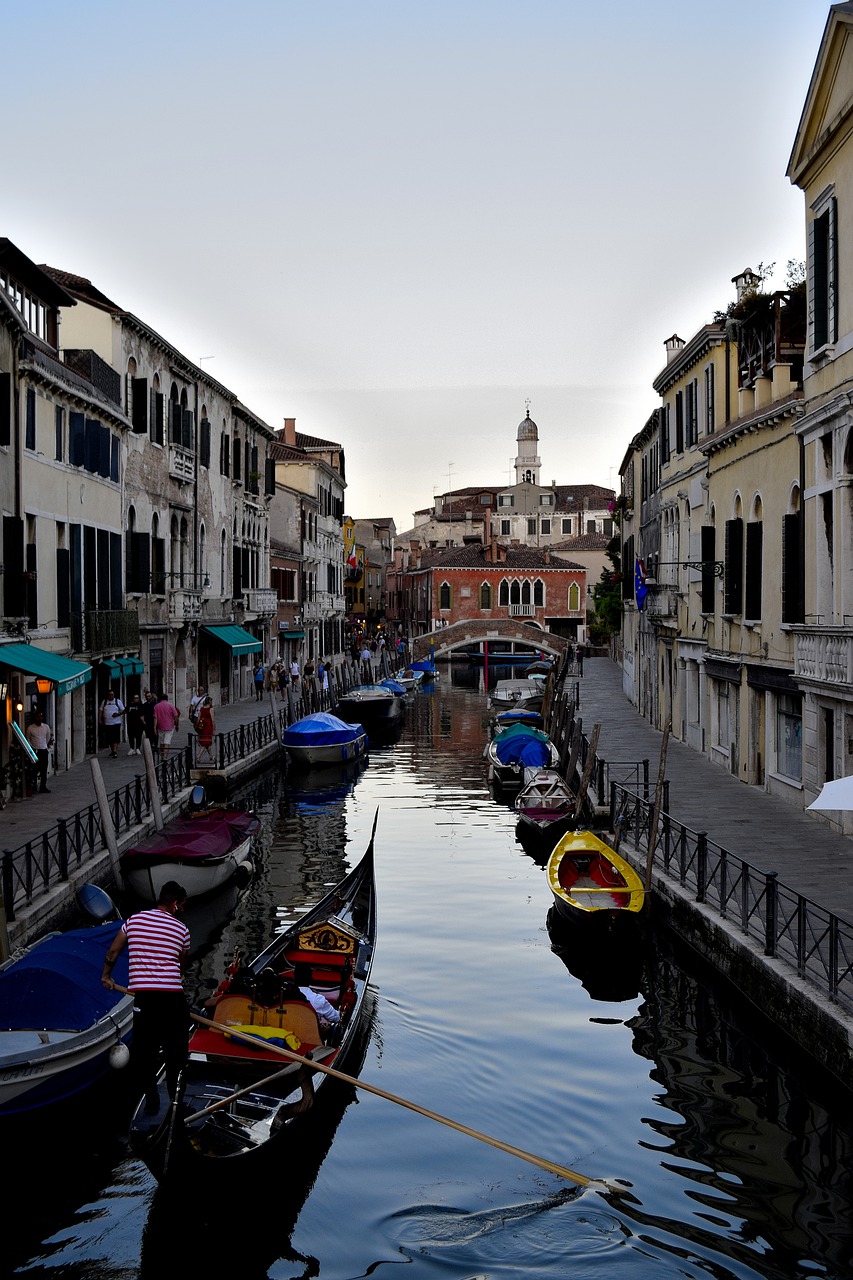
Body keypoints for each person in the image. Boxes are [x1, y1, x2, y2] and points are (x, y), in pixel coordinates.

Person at [101, 880, 190, 1105]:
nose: (183, 910)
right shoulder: (182, 930)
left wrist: (106, 976)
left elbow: (113, 951)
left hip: (146, 999)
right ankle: (174, 1100)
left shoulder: (133, 920)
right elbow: (180, 967)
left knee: (145, 1052)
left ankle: (151, 1100)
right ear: (175, 904)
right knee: (175, 1053)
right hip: (172, 1000)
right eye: (183, 905)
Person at [292, 963, 340, 1030]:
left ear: (294, 977)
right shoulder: (319, 1000)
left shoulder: (284, 995)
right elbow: (337, 1018)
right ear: (311, 979)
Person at [26, 710, 54, 793]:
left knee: (44, 770)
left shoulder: (46, 727)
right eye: (38, 716)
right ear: (35, 717)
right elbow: (28, 739)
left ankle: (43, 786)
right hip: (35, 751)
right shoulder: (30, 728)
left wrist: (44, 745)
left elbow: (48, 737)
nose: (39, 718)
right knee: (34, 770)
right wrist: (33, 748)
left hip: (43, 750)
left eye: (41, 716)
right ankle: (34, 786)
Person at [153, 693, 181, 761]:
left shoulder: (157, 706)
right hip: (169, 726)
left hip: (160, 726)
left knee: (162, 742)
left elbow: (155, 718)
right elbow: (176, 716)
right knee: (167, 742)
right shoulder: (171, 705)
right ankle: (165, 757)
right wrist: (177, 725)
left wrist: (154, 727)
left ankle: (162, 755)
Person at [99, 689, 125, 759]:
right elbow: (100, 710)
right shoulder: (104, 702)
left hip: (116, 723)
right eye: (109, 694)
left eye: (112, 694)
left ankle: (114, 751)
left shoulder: (117, 701)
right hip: (107, 723)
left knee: (116, 738)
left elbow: (123, 710)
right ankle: (112, 750)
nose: (111, 696)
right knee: (109, 738)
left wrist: (118, 714)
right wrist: (100, 719)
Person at [195, 696, 216, 763]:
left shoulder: (201, 709)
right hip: (208, 727)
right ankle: (198, 757)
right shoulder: (211, 709)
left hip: (202, 727)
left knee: (208, 743)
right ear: (210, 702)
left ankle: (211, 757)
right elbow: (212, 720)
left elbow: (198, 718)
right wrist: (214, 728)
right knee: (206, 743)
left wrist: (197, 726)